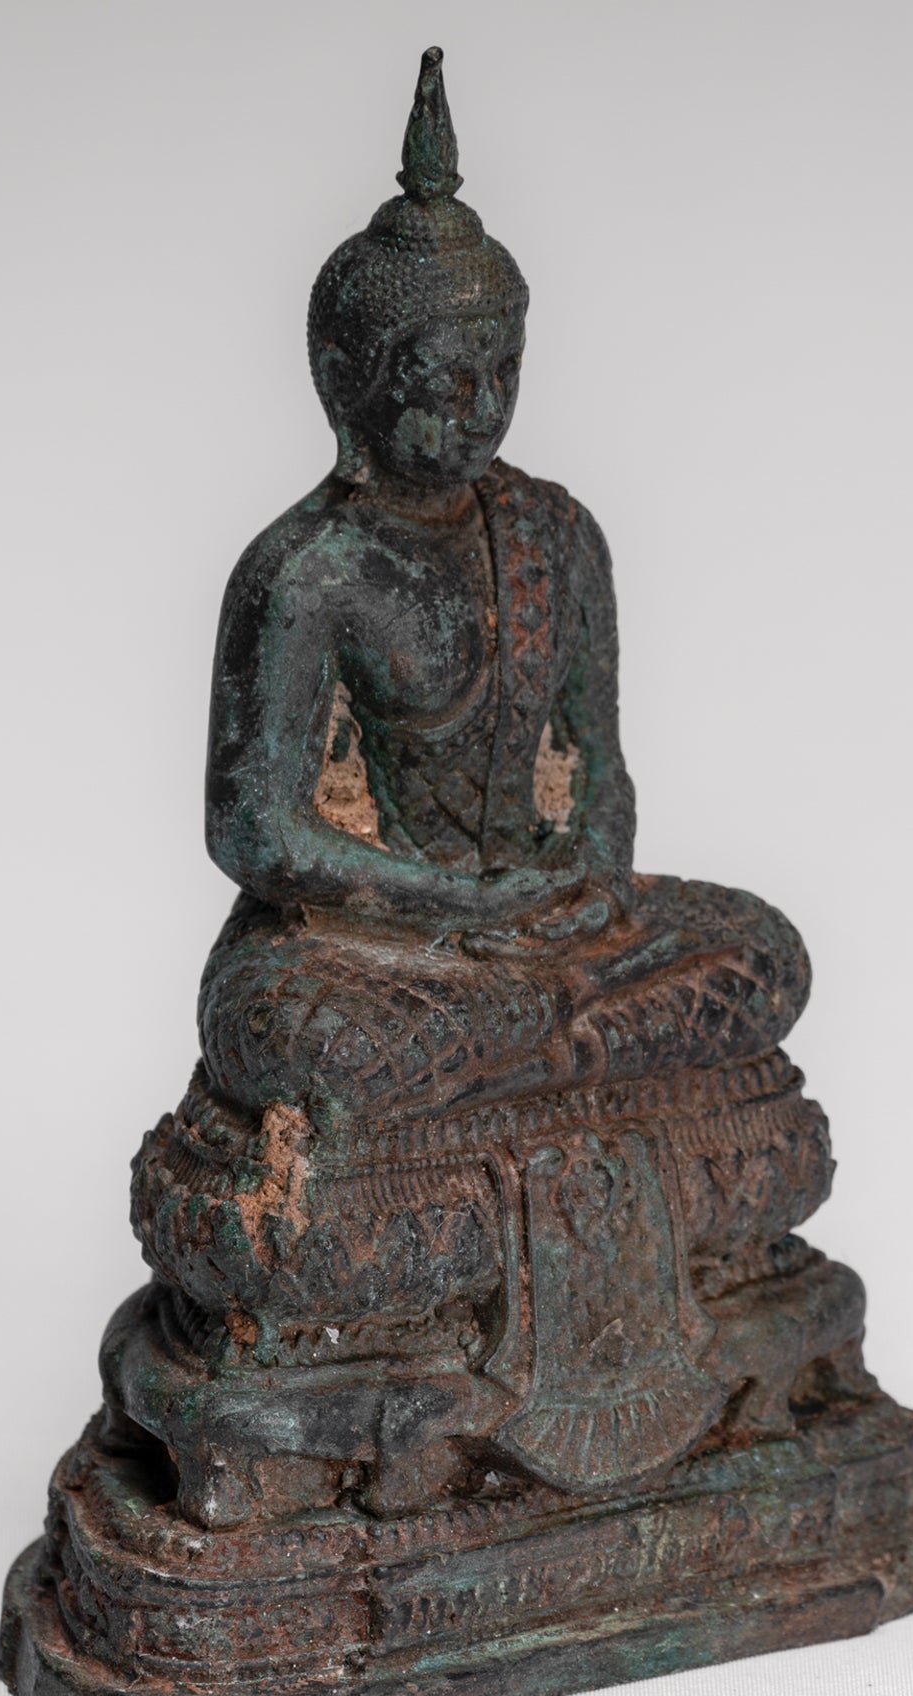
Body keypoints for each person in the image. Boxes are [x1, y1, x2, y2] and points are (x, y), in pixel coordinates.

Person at [199, 47, 809, 1130]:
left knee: (765, 953)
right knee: (298, 1044)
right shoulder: (303, 573)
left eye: (504, 373)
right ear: (347, 382)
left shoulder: (557, 536)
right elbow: (256, 833)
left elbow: (596, 763)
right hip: (374, 953)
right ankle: (565, 1053)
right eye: (446, 380)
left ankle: (518, 1053)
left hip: (544, 927)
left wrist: (590, 877)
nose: (482, 410)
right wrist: (460, 905)